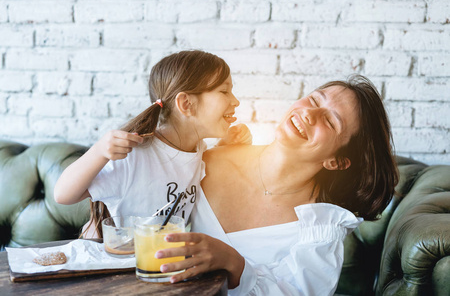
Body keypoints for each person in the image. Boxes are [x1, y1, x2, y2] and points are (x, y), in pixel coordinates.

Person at [153, 75, 399, 295]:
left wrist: (236, 265)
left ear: (336, 162)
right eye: (314, 100)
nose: (309, 114)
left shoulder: (319, 230)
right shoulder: (203, 157)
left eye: (330, 121)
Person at [54, 50, 251, 238]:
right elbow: (63, 195)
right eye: (224, 91)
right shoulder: (134, 154)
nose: (235, 101)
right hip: (115, 262)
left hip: (159, 263)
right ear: (186, 104)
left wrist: (224, 146)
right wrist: (98, 151)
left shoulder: (197, 149)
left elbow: (180, 167)